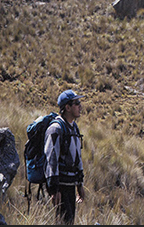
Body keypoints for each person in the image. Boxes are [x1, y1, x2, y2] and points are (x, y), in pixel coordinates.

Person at [44, 89, 86, 224]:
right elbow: (51, 160)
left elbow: (77, 157)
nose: (80, 106)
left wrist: (80, 184)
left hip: (70, 185)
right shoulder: (56, 129)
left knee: (68, 221)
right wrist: (54, 190)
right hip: (60, 187)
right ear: (67, 107)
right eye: (76, 103)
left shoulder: (74, 128)